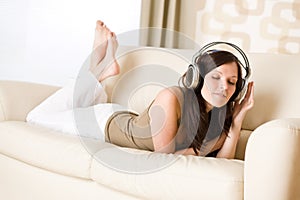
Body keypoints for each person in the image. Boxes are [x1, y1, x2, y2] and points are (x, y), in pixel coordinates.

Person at [26, 20, 254, 159]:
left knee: (69, 109)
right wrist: (202, 149)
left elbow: (224, 159)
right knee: (34, 118)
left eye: (232, 82)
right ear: (198, 78)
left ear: (239, 88)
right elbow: (163, 156)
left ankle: (101, 70)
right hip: (103, 125)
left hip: (120, 117)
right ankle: (97, 66)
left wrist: (236, 120)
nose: (224, 87)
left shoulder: (219, 118)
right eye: (216, 77)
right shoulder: (171, 97)